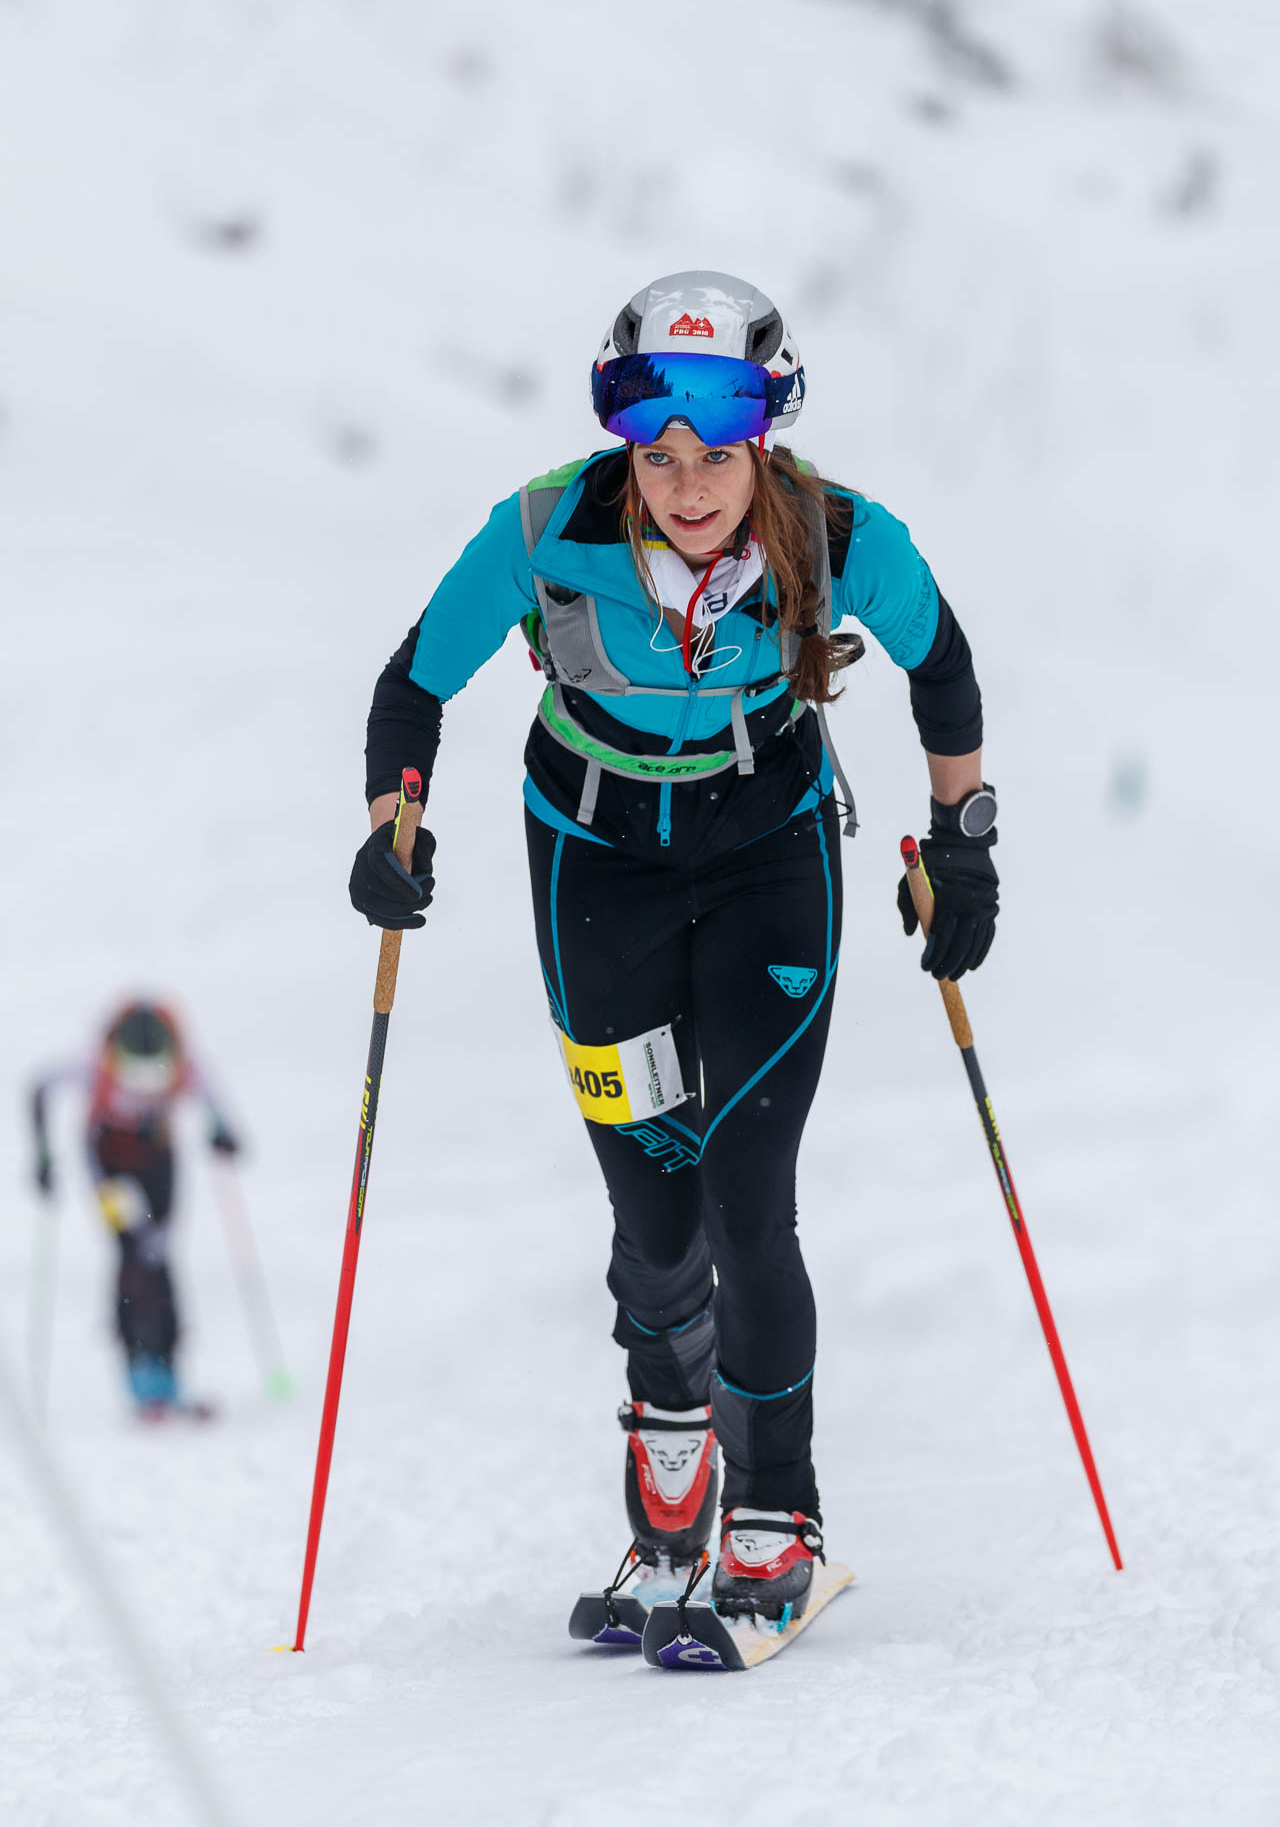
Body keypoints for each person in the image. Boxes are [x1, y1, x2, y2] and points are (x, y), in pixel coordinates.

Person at [348, 272, 998, 1625]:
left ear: (765, 439)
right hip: (596, 869)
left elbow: (944, 669)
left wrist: (963, 842)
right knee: (653, 1210)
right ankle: (669, 1444)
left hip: (771, 858)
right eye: (659, 454)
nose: (688, 483)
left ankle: (778, 1503)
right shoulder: (542, 533)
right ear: (625, 449)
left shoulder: (834, 536)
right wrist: (392, 829)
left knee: (746, 1191)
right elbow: (414, 686)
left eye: (714, 453)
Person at [30, 1000, 241, 1414]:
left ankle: (168, 1372)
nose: (144, 1087)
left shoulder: (186, 1066)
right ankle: (140, 1371)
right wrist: (42, 1153)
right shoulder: (92, 1066)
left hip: (158, 1161)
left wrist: (222, 1131)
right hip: (108, 1166)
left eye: (154, 1075)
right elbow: (38, 1088)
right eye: (134, 1074)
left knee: (160, 1255)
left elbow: (214, 1101)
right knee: (131, 1251)